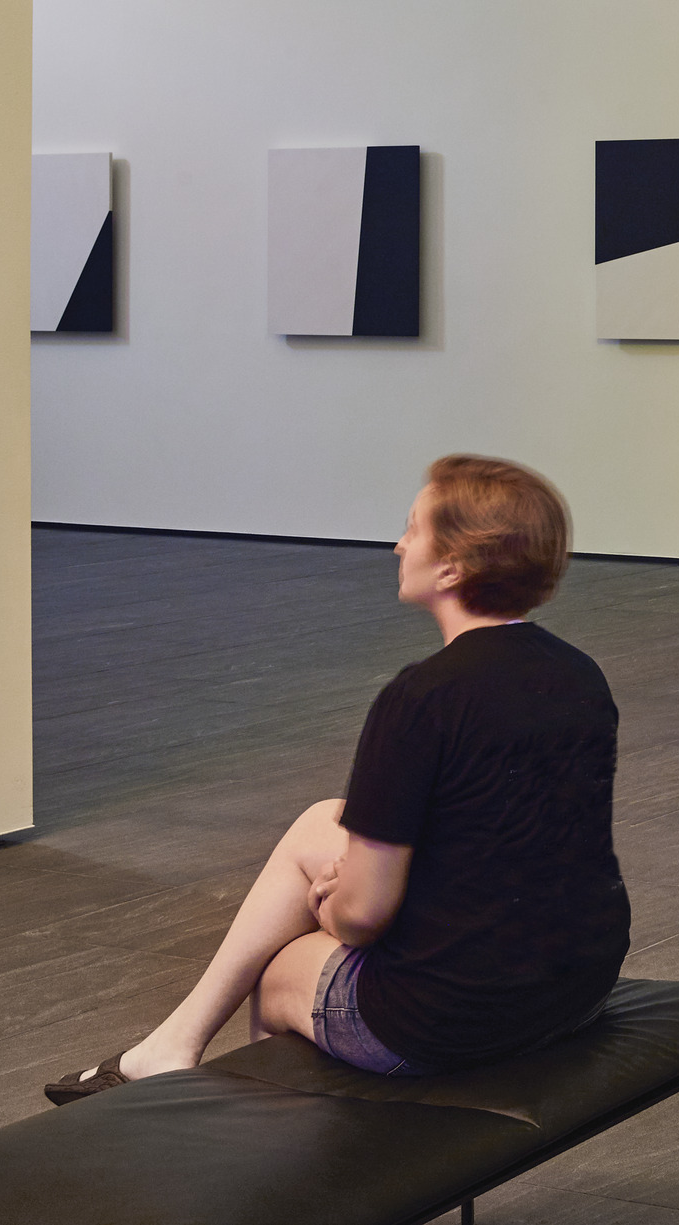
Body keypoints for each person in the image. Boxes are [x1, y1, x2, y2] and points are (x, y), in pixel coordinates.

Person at [45, 455, 628, 1097]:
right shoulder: (579, 674)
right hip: (577, 986)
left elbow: (364, 918)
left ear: (453, 567)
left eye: (413, 529)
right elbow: (512, 837)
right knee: (321, 821)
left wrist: (335, 903)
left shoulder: (422, 699)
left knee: (277, 977)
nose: (398, 544)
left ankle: (300, 1181)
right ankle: (168, 1047)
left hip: (452, 1020)